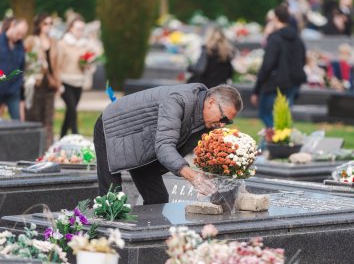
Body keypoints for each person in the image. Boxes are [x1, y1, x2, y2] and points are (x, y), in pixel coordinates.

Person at [94, 83, 243, 204]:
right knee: (111, 199)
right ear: (211, 103)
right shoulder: (178, 100)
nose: (223, 125)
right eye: (223, 118)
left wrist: (210, 172)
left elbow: (199, 150)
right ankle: (101, 239)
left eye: (228, 122)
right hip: (113, 127)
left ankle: (147, 238)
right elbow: (165, 147)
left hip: (146, 141)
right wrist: (193, 177)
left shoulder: (207, 119)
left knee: (157, 199)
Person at [251, 5, 306, 143]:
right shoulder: (297, 38)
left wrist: (257, 89)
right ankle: (282, 144)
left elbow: (267, 65)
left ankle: (274, 144)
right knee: (284, 117)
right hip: (292, 82)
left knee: (266, 114)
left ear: (275, 17)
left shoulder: (275, 38)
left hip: (274, 84)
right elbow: (302, 59)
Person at [24, 13, 60, 148]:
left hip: (51, 84)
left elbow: (56, 65)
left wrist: (58, 83)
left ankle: (47, 149)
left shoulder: (54, 42)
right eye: (45, 23)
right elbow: (25, 60)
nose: (48, 26)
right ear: (39, 24)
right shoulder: (32, 40)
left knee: (49, 119)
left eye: (50, 23)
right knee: (35, 117)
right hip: (36, 84)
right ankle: (33, 148)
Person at [56, 16, 93, 137]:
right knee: (72, 110)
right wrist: (58, 84)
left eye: (82, 29)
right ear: (71, 28)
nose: (80, 32)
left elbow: (89, 64)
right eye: (78, 28)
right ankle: (76, 135)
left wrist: (86, 64)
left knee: (70, 112)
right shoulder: (62, 44)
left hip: (79, 82)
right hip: (65, 82)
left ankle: (62, 135)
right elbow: (58, 65)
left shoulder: (85, 45)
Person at [0, 19, 28, 120]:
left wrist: (17, 84)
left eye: (22, 35)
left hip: (13, 91)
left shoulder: (20, 46)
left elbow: (21, 68)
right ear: (12, 26)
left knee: (17, 121)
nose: (20, 37)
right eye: (18, 33)